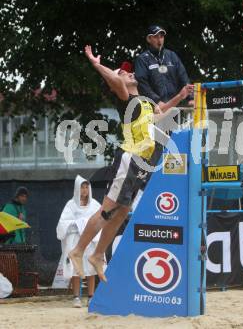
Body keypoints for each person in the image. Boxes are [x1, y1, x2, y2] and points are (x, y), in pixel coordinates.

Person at [68, 45, 193, 282]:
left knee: (123, 210)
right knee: (107, 210)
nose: (130, 73)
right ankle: (78, 250)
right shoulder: (125, 97)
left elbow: (160, 113)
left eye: (129, 72)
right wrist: (96, 64)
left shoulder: (144, 101)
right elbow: (114, 78)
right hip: (129, 158)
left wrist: (180, 95)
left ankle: (97, 255)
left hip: (141, 162)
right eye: (125, 73)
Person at [56, 176, 101, 308]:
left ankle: (91, 297)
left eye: (87, 187)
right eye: (82, 187)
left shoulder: (95, 204)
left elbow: (100, 221)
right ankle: (76, 297)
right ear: (77, 188)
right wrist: (78, 224)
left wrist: (88, 225)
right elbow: (63, 223)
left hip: (91, 241)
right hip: (75, 240)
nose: (84, 190)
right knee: (75, 269)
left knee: (91, 269)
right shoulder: (70, 205)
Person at [134, 25, 193, 107]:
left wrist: (191, 98)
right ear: (149, 39)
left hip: (174, 105)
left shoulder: (172, 55)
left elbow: (183, 77)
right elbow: (142, 83)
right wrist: (156, 101)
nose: (159, 40)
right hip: (154, 108)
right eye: (156, 37)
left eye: (161, 37)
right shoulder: (142, 59)